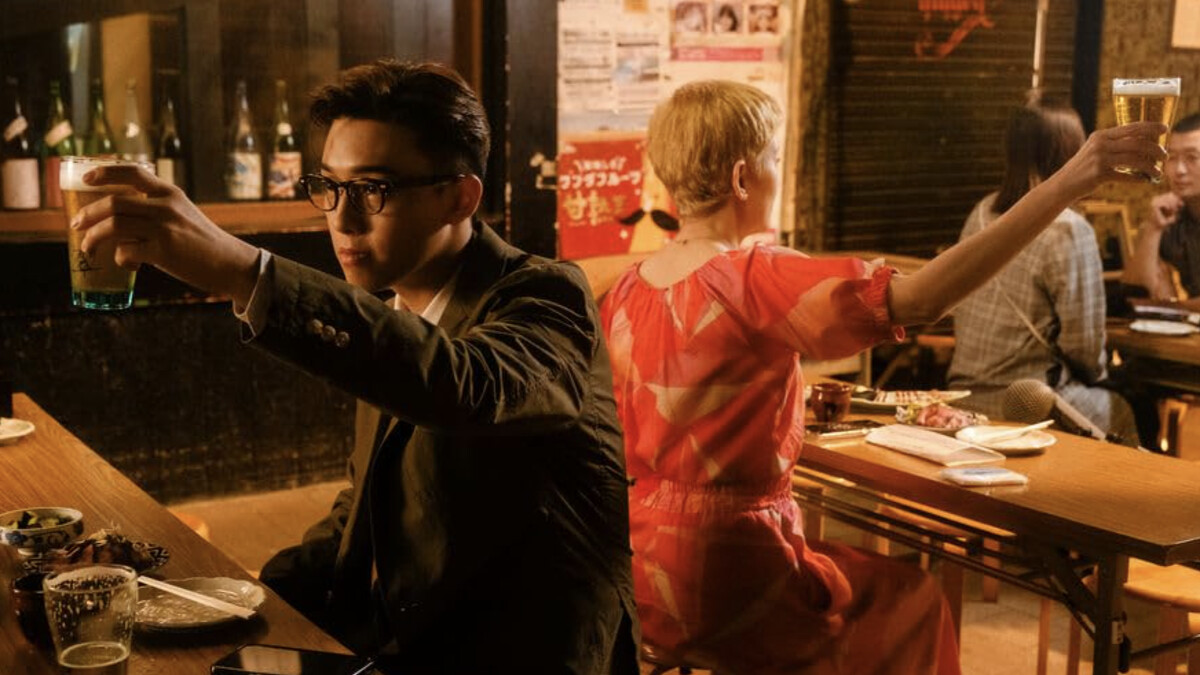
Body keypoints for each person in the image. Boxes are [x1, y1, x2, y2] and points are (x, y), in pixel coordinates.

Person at [71, 60, 638, 674]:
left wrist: (245, 271)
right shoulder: (394, 311)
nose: (342, 218)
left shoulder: (547, 295)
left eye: (373, 189)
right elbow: (363, 506)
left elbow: (467, 384)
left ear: (460, 197)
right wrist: (239, 598)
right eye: (330, 187)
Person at [600, 80, 1164, 674]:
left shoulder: (629, 289)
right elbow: (920, 301)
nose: (778, 175)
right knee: (913, 600)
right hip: (734, 574)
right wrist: (1068, 182)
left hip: (641, 571)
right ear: (743, 178)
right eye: (775, 159)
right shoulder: (750, 276)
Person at [947, 95, 1140, 445]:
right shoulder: (1069, 229)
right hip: (1028, 403)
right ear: (1070, 156)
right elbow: (1084, 347)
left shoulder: (981, 212)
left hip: (963, 397)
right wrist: (1104, 373)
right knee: (1126, 408)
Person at [1123, 113, 1200, 309]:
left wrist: (1172, 306)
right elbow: (1135, 292)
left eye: (1192, 158)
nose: (1179, 170)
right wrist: (1153, 228)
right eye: (1171, 158)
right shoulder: (1172, 215)